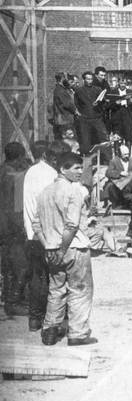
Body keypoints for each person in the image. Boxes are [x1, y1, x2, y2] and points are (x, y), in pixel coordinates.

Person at [31, 152, 97, 346]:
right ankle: (78, 333)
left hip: (51, 249)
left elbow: (37, 225)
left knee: (56, 289)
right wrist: (61, 249)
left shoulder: (45, 192)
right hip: (74, 247)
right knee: (80, 290)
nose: (80, 171)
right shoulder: (73, 191)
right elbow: (72, 225)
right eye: (75, 168)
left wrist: (50, 247)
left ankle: (50, 330)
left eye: (80, 167)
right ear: (62, 169)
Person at [21, 141, 62, 332]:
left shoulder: (31, 172)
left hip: (31, 232)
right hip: (47, 234)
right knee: (53, 278)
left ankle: (34, 319)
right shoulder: (51, 175)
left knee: (37, 277)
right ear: (50, 156)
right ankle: (49, 320)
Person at [1, 142, 33, 317]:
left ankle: (10, 301)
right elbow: (14, 207)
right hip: (12, 227)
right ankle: (13, 303)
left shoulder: (3, 171)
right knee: (20, 266)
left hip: (4, 227)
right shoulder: (14, 176)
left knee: (8, 267)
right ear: (20, 157)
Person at [74, 71, 108, 154]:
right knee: (85, 140)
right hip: (85, 120)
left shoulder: (98, 89)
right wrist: (79, 114)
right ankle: (87, 159)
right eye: (88, 79)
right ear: (84, 80)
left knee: (103, 138)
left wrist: (99, 103)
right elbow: (76, 104)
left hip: (97, 118)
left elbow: (104, 103)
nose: (90, 81)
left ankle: (106, 159)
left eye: (91, 79)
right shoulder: (79, 91)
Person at [50, 72, 77, 141]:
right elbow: (68, 104)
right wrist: (76, 111)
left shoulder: (59, 89)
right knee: (68, 141)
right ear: (62, 79)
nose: (68, 81)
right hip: (65, 120)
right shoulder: (61, 91)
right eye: (67, 79)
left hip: (61, 120)